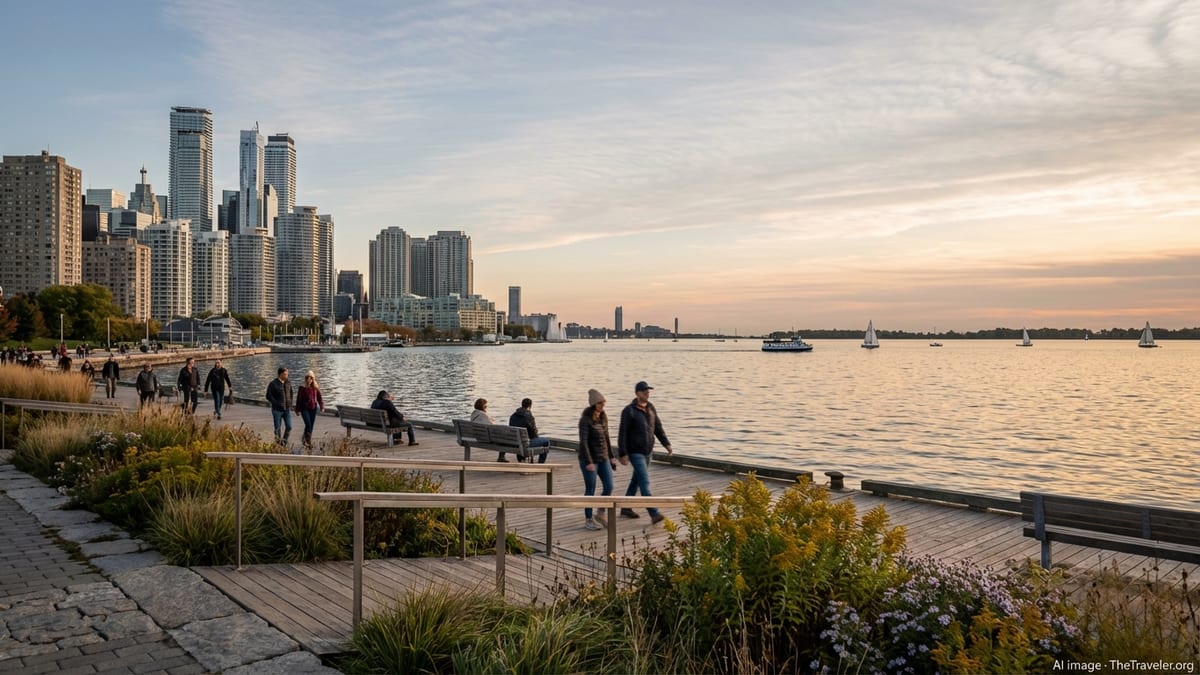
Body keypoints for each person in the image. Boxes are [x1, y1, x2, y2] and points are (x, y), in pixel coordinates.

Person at [617, 380, 673, 525]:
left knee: (636, 480)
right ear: (637, 393)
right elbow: (622, 433)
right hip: (635, 452)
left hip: (648, 450)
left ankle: (626, 508)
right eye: (644, 391)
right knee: (644, 481)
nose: (648, 393)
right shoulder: (629, 411)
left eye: (648, 391)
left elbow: (658, 427)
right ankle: (653, 513)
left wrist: (666, 444)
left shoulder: (651, 408)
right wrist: (622, 453)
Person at [579, 389, 616, 530]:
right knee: (590, 489)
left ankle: (601, 512)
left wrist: (612, 457)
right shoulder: (585, 420)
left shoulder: (603, 417)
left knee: (609, 486)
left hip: (603, 457)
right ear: (593, 404)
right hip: (589, 460)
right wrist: (588, 462)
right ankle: (588, 519)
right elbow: (584, 442)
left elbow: (606, 438)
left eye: (603, 403)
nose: (602, 406)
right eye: (600, 403)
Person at [508, 398, 552, 463]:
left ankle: (521, 460)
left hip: (515, 442)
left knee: (521, 439)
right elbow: (533, 432)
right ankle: (541, 463)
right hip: (524, 444)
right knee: (546, 441)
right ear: (530, 406)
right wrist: (536, 437)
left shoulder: (513, 416)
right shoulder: (528, 416)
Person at [295, 371, 326, 450]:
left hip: (313, 408)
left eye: (311, 378)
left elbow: (319, 398)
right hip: (304, 408)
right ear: (305, 379)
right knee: (308, 424)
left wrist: (322, 407)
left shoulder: (315, 388)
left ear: (313, 379)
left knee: (311, 426)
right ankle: (307, 440)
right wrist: (297, 409)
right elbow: (298, 399)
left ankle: (307, 440)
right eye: (308, 378)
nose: (309, 380)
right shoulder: (302, 388)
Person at [265, 367, 293, 447]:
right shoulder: (273, 384)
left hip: (287, 409)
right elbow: (268, 395)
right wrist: (275, 403)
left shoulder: (288, 382)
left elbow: (291, 393)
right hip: (277, 410)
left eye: (287, 374)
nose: (287, 375)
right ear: (280, 374)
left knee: (289, 426)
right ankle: (278, 444)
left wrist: (290, 403)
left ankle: (284, 441)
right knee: (277, 428)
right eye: (285, 374)